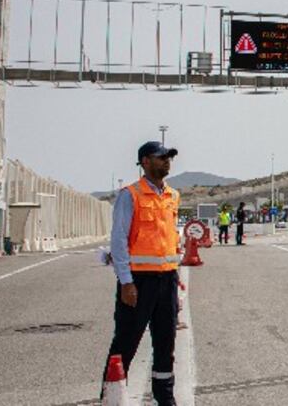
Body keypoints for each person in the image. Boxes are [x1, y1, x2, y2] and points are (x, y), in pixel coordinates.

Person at [101, 140, 181, 405]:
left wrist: (175, 283)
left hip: (167, 279)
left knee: (166, 343)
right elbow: (119, 241)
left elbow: (169, 240)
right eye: (161, 157)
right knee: (126, 341)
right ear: (145, 162)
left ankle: (165, 398)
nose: (167, 161)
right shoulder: (130, 195)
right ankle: (111, 396)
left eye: (169, 157)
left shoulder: (173, 196)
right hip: (139, 281)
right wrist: (126, 281)